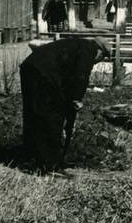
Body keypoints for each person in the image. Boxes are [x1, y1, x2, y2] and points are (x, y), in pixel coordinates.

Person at [20, 36, 110, 174]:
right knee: (53, 116)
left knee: (33, 114)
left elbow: (68, 79)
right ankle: (50, 164)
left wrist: (70, 100)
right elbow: (81, 76)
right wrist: (76, 99)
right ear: (100, 51)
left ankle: (32, 158)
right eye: (101, 58)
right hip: (44, 73)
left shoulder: (76, 45)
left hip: (31, 67)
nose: (97, 62)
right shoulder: (89, 50)